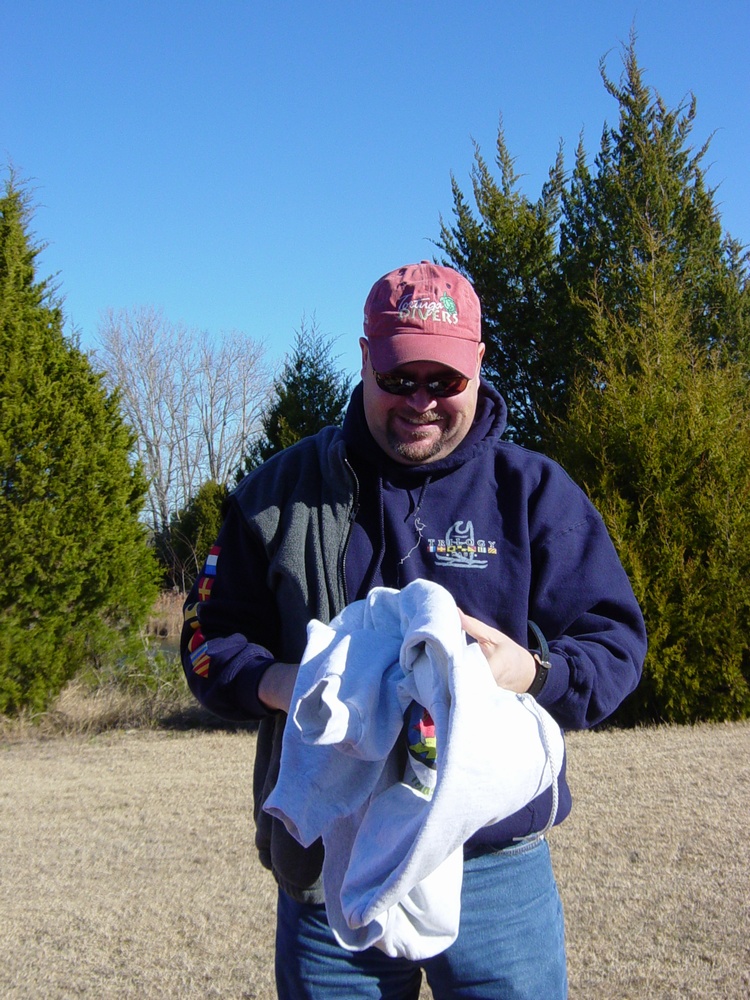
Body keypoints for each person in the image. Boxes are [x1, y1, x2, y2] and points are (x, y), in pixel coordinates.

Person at [181, 261, 647, 999]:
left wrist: (523, 670)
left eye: (445, 381)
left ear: (480, 367)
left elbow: (616, 644)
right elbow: (208, 641)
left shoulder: (533, 492)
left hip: (495, 863)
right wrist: (293, 685)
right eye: (399, 378)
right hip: (327, 864)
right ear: (365, 358)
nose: (421, 402)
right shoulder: (277, 495)